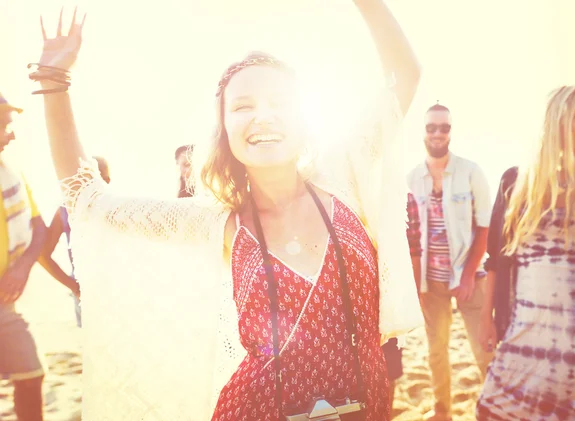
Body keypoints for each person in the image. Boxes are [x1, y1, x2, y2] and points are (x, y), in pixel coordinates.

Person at [32, 2, 423, 420]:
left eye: (280, 102)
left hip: (367, 404)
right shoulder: (217, 223)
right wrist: (55, 81)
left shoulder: (342, 175)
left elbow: (404, 78)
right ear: (224, 130)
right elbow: (88, 200)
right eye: (243, 106)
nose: (264, 116)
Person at [477, 85, 575, 420]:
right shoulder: (515, 182)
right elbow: (497, 260)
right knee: (495, 411)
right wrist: (489, 319)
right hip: (523, 330)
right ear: (557, 117)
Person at [405, 103, 493, 421]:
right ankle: (443, 409)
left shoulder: (472, 171)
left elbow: (485, 227)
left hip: (471, 277)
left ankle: (494, 405)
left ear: (451, 131)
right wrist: (417, 286)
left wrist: (468, 276)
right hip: (432, 282)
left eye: (444, 127)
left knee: (483, 347)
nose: (438, 133)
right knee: (436, 349)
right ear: (423, 131)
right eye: (432, 127)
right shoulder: (411, 178)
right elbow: (409, 236)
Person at [0, 92, 47, 421]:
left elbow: (39, 227)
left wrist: (23, 268)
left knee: (32, 375)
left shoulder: (11, 175)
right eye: (4, 126)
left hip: (5, 302)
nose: (11, 134)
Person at [38, 156, 111, 328]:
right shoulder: (64, 210)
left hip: (114, 288)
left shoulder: (115, 210)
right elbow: (42, 255)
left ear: (107, 181)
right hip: (85, 292)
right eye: (84, 181)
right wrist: (75, 287)